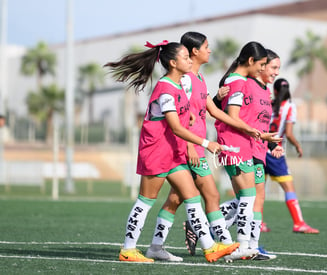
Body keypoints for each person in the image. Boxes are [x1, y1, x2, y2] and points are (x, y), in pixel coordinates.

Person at [104, 40, 240, 263]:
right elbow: (175, 127)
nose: (189, 61)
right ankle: (128, 249)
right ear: (173, 63)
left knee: (192, 197)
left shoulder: (180, 85)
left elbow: (183, 115)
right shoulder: (166, 88)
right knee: (145, 201)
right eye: (185, 57)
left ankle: (210, 248)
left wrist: (191, 116)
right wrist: (206, 144)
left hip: (173, 153)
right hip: (156, 152)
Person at [145, 32, 260, 262]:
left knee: (176, 199)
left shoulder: (197, 78)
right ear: (194, 51)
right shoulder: (185, 80)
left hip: (195, 148)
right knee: (211, 194)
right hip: (189, 149)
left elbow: (214, 111)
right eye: (207, 46)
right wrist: (189, 146)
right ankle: (227, 246)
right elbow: (181, 116)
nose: (210, 50)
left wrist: (246, 128)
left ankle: (156, 246)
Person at [213, 41, 279, 262]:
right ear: (251, 61)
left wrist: (264, 138)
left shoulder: (240, 81)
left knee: (250, 197)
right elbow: (232, 117)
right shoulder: (238, 82)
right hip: (235, 144)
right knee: (248, 197)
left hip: (244, 143)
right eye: (263, 65)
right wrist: (257, 133)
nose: (263, 69)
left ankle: (247, 245)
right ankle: (239, 244)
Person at [265, 78, 319, 234]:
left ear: (275, 91)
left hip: (261, 150)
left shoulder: (267, 104)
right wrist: (297, 145)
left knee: (259, 189)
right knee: (289, 187)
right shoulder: (289, 107)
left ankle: (259, 223)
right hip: (276, 152)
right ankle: (298, 223)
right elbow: (288, 133)